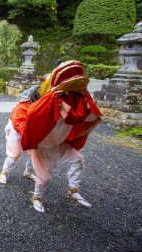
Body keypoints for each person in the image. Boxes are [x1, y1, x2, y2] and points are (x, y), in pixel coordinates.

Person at [21, 61, 102, 213]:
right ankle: (36, 197)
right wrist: (52, 98)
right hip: (41, 145)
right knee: (44, 178)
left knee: (78, 159)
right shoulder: (48, 101)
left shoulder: (77, 101)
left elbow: (90, 116)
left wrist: (84, 96)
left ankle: (73, 189)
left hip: (59, 143)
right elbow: (32, 115)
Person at [0, 87, 39, 184]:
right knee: (14, 154)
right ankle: (4, 172)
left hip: (30, 130)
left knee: (34, 153)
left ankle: (28, 171)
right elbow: (18, 124)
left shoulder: (42, 107)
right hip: (16, 130)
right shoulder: (22, 107)